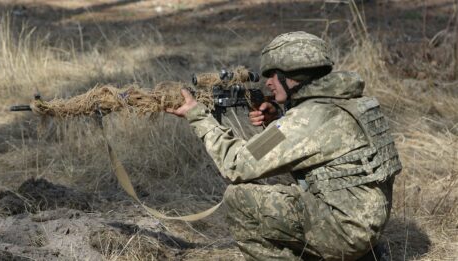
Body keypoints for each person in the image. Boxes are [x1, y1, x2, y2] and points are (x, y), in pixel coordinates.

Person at [166, 31, 401, 261]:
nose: (267, 83)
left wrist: (197, 115)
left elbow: (236, 164)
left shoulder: (307, 118)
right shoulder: (350, 101)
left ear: (292, 76)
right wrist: (279, 121)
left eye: (273, 75)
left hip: (345, 235)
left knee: (239, 198)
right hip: (365, 226)